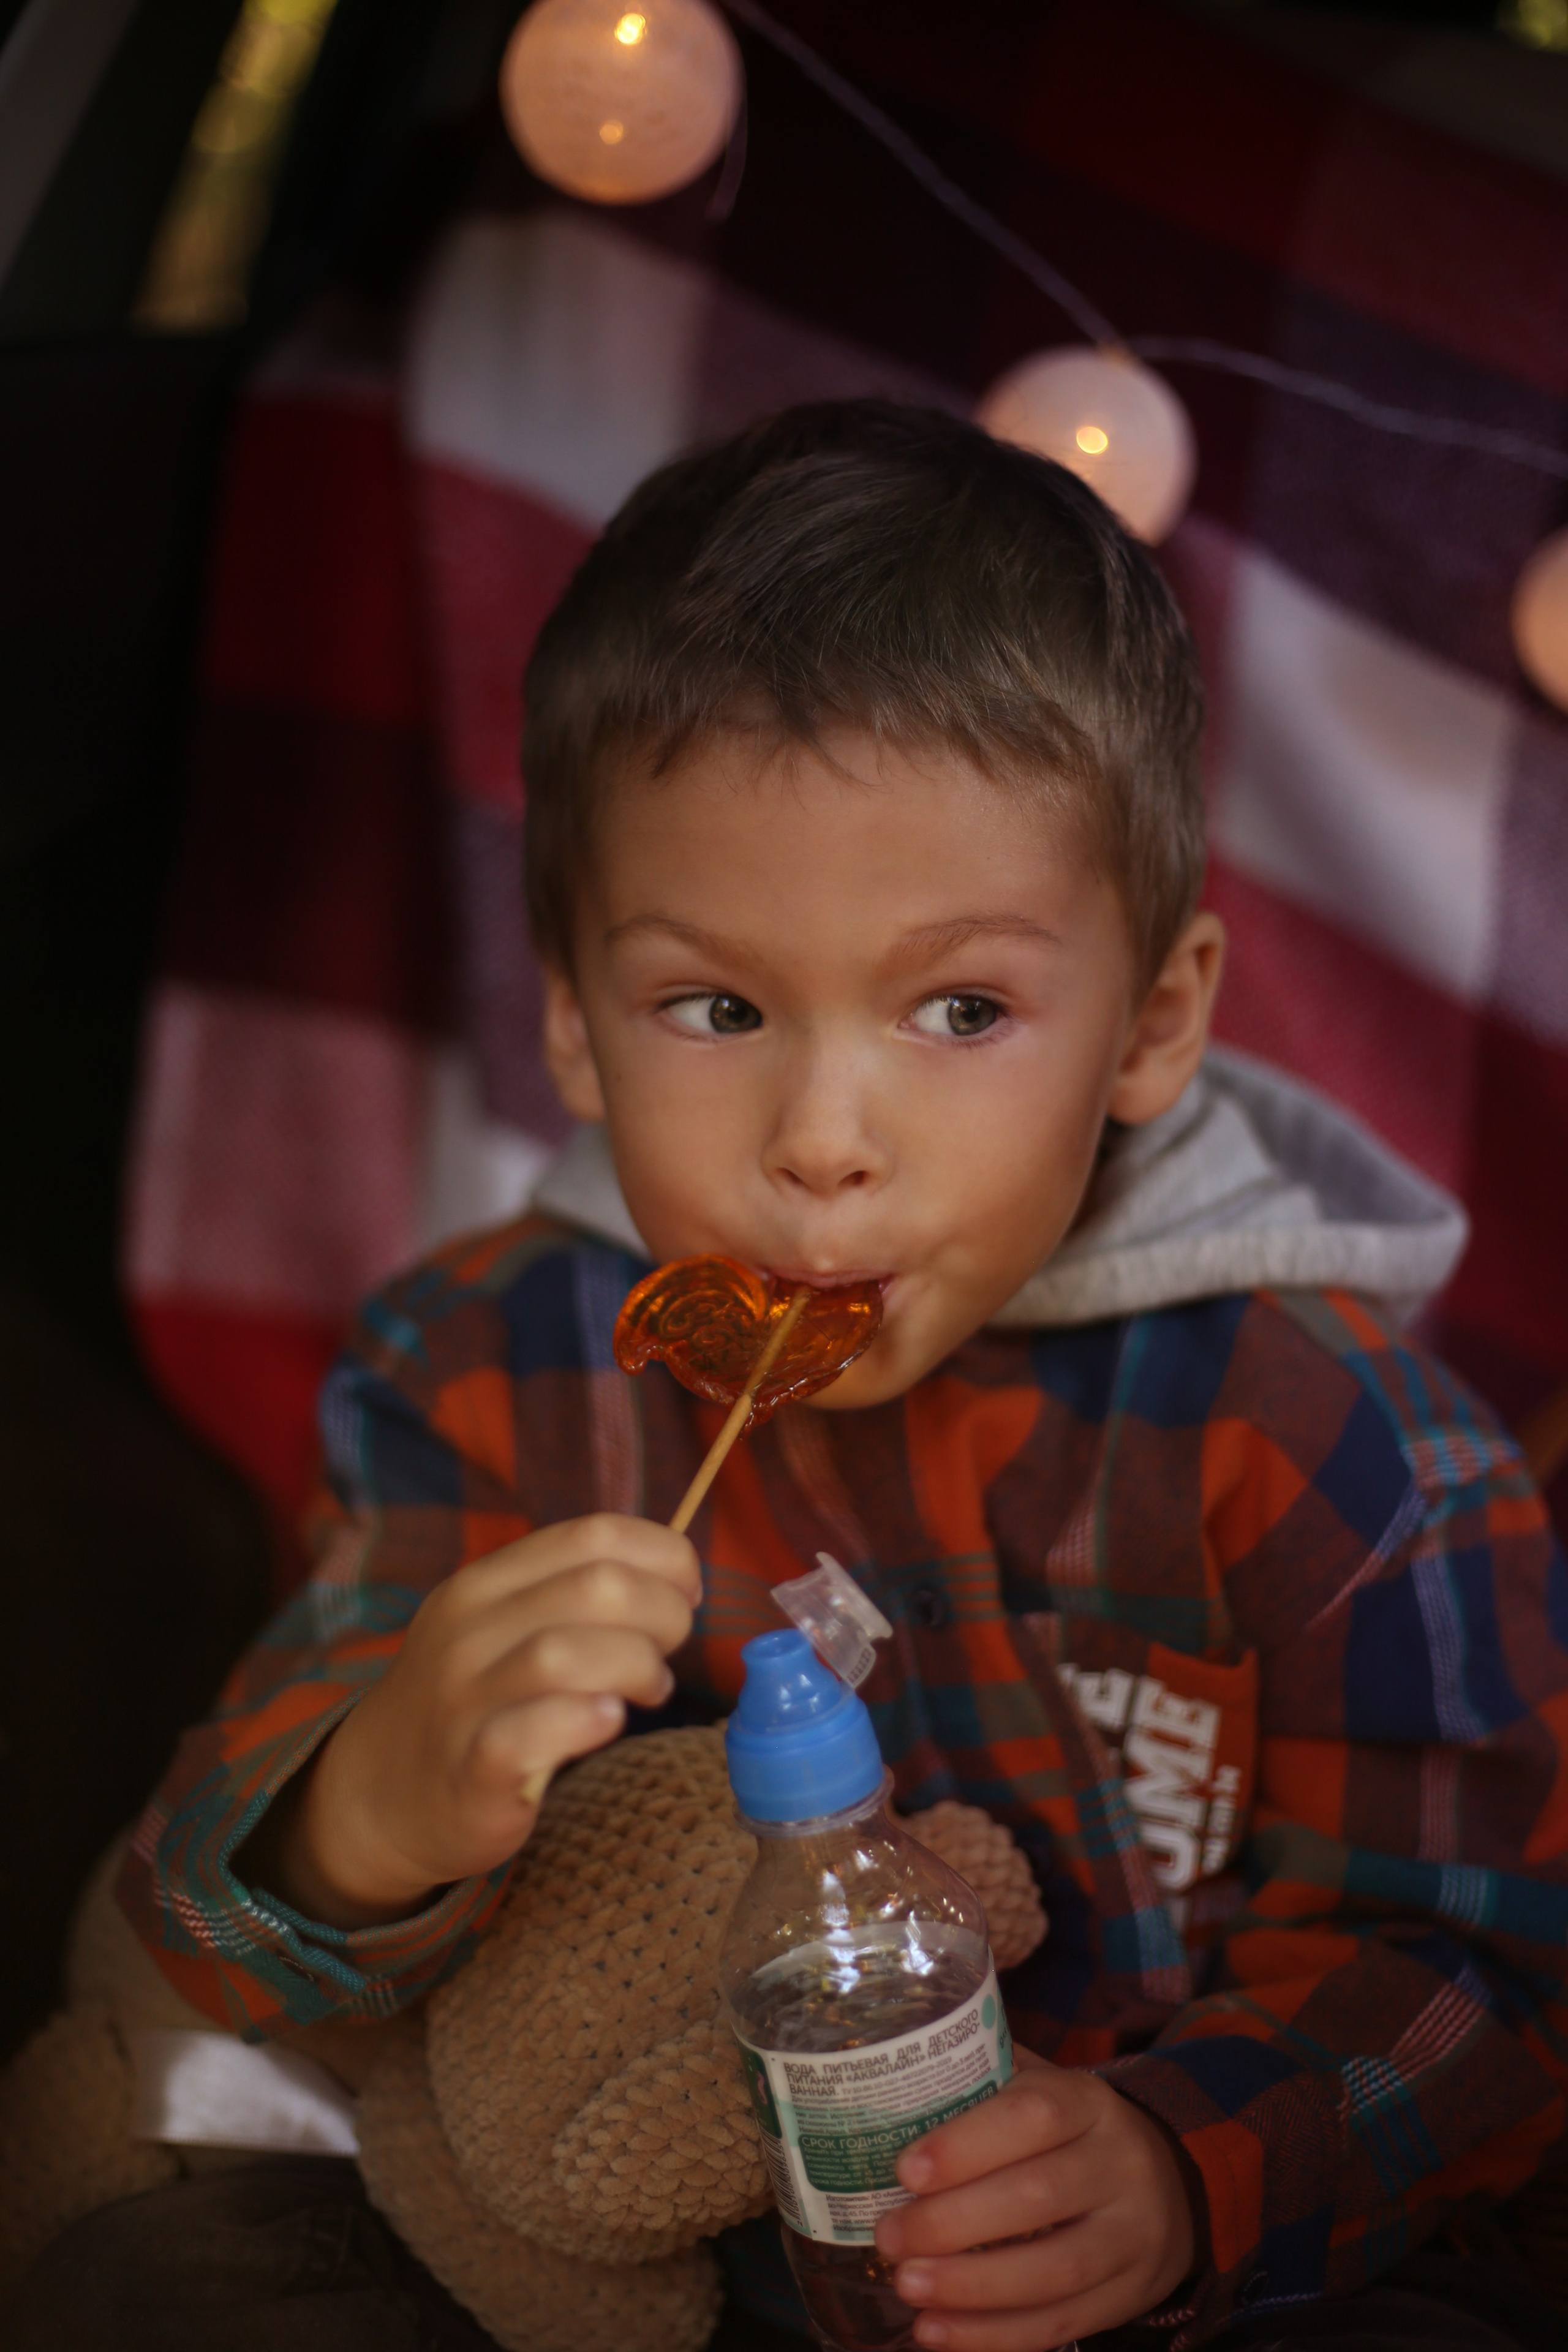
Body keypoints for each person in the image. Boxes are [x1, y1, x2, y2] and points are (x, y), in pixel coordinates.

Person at [45, 403, 1568, 2350]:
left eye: (961, 1010)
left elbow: (1488, 1973)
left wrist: (1183, 2171)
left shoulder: (1324, 1430)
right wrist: (357, 1811)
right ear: (579, 1031)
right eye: (716, 1006)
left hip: (1195, 2269)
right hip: (672, 2240)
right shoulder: (491, 1372)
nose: (825, 1137)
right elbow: (204, 1924)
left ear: (1153, 1024)